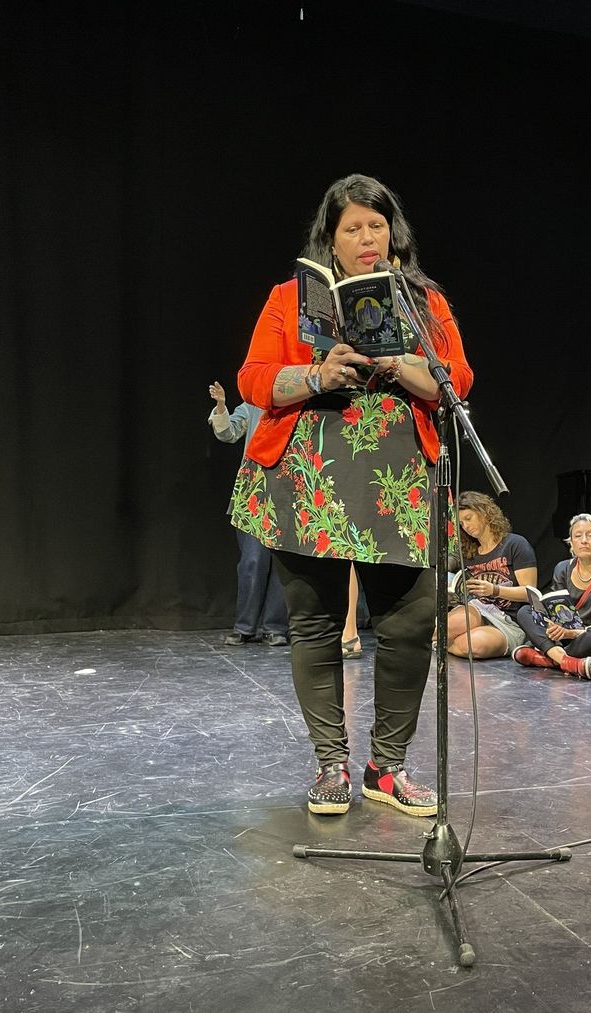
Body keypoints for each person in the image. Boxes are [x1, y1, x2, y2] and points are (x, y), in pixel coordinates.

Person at [229, 173, 473, 816]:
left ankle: (386, 768)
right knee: (314, 621)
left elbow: (457, 381)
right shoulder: (289, 298)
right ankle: (331, 765)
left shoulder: (424, 302)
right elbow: (253, 378)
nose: (368, 238)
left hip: (398, 482)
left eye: (377, 225)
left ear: (394, 233)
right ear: (329, 240)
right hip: (307, 477)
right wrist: (317, 372)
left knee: (412, 619)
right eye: (352, 228)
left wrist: (395, 362)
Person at [208, 382, 289, 647]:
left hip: (287, 492)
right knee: (253, 561)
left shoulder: (298, 408)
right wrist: (221, 405)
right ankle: (244, 626)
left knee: (281, 564)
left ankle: (275, 627)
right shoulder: (253, 406)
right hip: (254, 492)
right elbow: (228, 433)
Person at [513, 513, 591, 679]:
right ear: (571, 542)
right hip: (568, 638)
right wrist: (552, 625)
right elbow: (555, 611)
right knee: (525, 611)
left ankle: (548, 659)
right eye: (578, 536)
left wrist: (570, 634)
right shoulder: (562, 568)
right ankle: (566, 661)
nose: (584, 540)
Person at [445, 492, 537, 658]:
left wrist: (495, 590)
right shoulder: (468, 551)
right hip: (478, 610)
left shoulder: (515, 544)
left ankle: (442, 645)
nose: (465, 526)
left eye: (469, 518)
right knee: (452, 623)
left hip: (509, 621)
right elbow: (449, 564)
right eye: (461, 523)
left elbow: (530, 594)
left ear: (484, 512)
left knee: (471, 645)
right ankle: (416, 647)